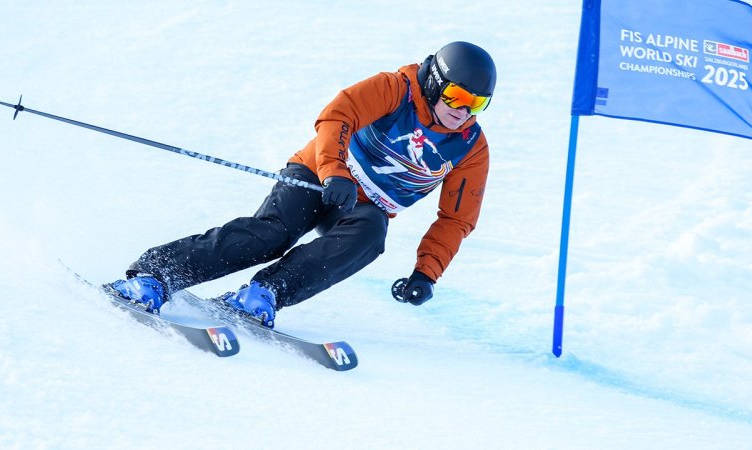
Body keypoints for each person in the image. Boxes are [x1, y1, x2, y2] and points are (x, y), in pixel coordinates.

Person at [110, 41, 496, 329]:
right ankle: (156, 274)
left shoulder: (469, 148)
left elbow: (456, 218)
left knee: (370, 236)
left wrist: (426, 273)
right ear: (435, 82)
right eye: (456, 97)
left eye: (477, 104)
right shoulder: (397, 89)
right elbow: (338, 115)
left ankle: (264, 294)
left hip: (362, 205)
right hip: (317, 176)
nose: (462, 112)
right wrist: (334, 171)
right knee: (273, 234)